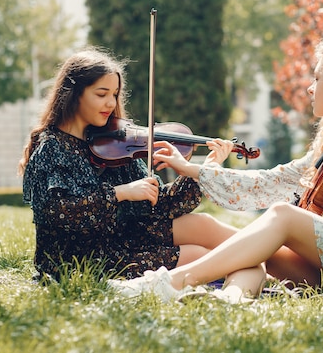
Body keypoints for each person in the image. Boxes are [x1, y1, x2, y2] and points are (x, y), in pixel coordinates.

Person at [110, 37, 323, 302]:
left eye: (317, 78)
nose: (310, 87)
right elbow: (270, 181)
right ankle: (233, 299)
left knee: (282, 215)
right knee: (250, 244)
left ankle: (168, 284)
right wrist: (192, 169)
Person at [18, 47, 238, 283]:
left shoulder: (114, 144)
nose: (111, 103)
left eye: (114, 94)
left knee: (202, 225)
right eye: (101, 94)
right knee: (200, 255)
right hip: (82, 262)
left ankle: (277, 255)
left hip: (121, 240)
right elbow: (57, 212)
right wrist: (119, 193)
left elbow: (157, 205)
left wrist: (200, 171)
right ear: (74, 94)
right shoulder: (52, 148)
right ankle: (255, 278)